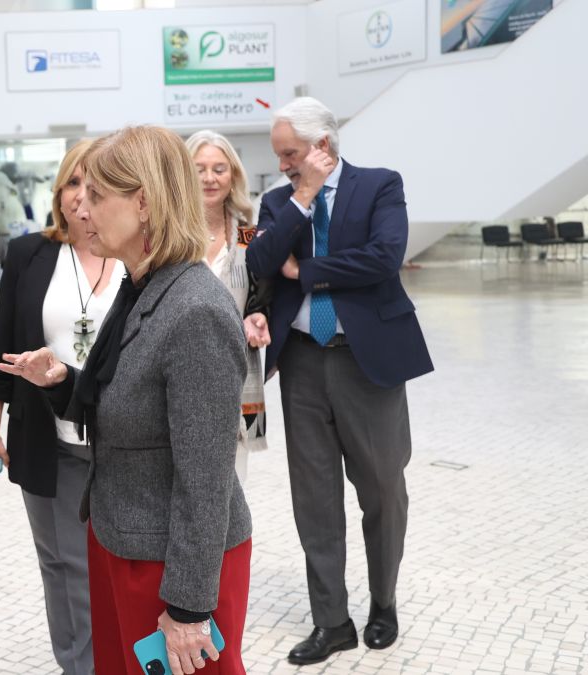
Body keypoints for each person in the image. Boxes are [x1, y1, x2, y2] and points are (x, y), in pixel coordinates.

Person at [0, 125, 252, 675]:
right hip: (124, 540)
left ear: (142, 202)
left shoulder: (195, 311)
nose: (80, 209)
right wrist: (64, 381)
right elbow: (123, 399)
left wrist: (187, 609)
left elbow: (205, 476)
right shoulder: (143, 286)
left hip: (172, 567)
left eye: (95, 195)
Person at [245, 97, 433, 665]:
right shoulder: (281, 201)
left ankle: (383, 603)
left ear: (321, 146)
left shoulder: (379, 185)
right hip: (300, 362)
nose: (282, 163)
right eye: (279, 155)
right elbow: (260, 264)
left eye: (290, 153)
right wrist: (302, 198)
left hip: (366, 360)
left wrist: (307, 271)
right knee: (314, 499)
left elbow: (384, 257)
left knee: (381, 488)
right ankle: (332, 622)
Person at [0, 139, 123, 675]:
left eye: (97, 185)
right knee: (63, 566)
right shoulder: (30, 254)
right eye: (72, 183)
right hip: (47, 438)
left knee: (116, 570)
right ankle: (78, 665)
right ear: (58, 191)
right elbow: (1, 352)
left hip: (122, 442)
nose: (82, 199)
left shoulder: (139, 252)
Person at [185, 130, 273, 484]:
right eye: (199, 168)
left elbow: (260, 295)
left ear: (233, 175)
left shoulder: (248, 234)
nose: (209, 178)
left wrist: (258, 315)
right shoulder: (172, 234)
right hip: (182, 369)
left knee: (233, 481)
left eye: (219, 169)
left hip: (235, 374)